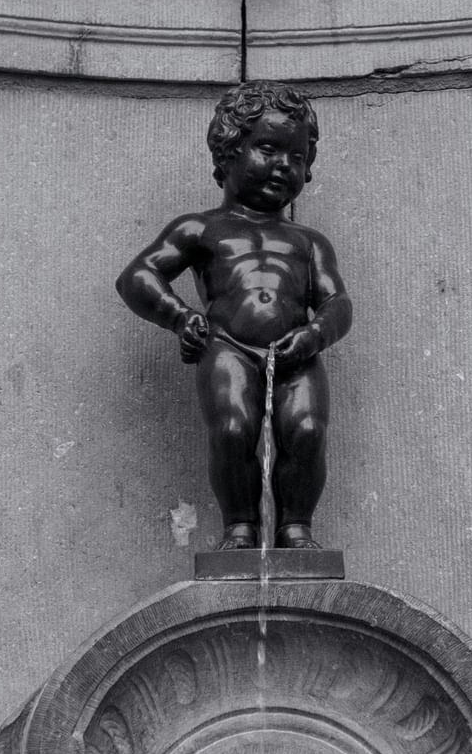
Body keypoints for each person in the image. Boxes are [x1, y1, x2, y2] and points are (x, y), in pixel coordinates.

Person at [117, 81, 352, 549]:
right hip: (228, 346)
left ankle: (296, 529)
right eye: (268, 148)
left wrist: (314, 335)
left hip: (297, 353)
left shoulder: (309, 242)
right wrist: (180, 317)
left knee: (307, 431)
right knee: (231, 429)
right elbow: (138, 277)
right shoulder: (201, 228)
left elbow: (338, 303)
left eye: (297, 156)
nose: (283, 165)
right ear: (228, 152)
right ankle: (240, 528)